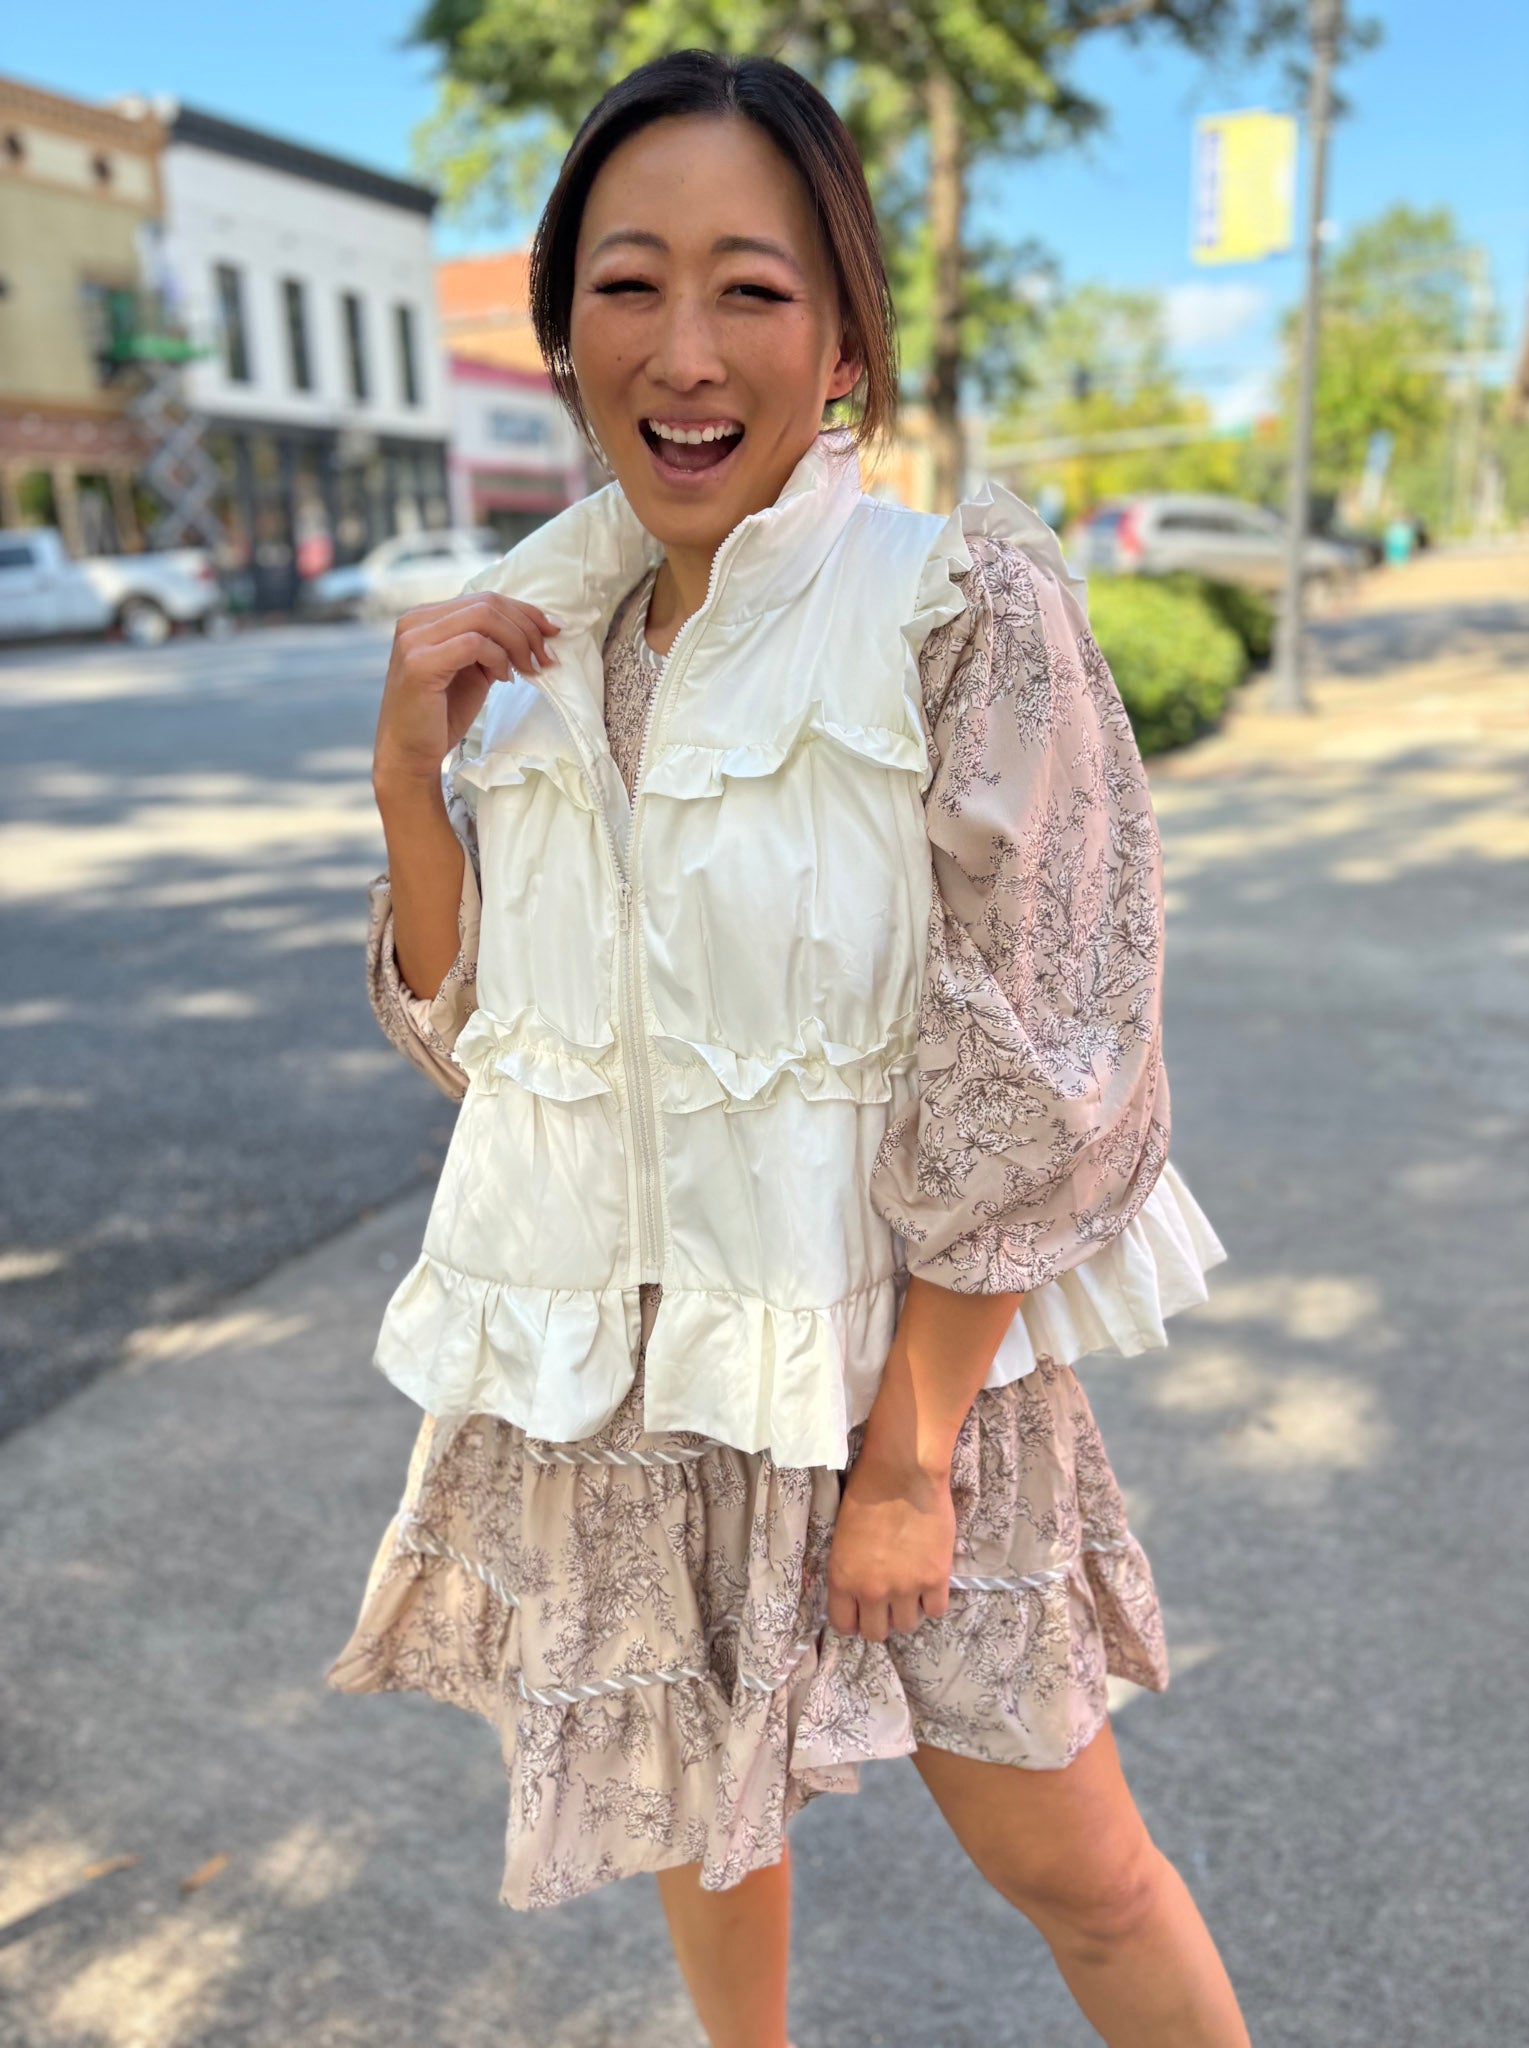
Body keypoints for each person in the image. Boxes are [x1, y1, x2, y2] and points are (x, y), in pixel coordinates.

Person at [326, 49, 1248, 2048]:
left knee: (1078, 1865)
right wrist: (413, 774)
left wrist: (905, 1457)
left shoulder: (954, 612)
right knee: (707, 1835)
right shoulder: (542, 644)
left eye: (751, 287)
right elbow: (490, 1045)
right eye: (629, 282)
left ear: (842, 339)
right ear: (562, 324)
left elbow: (1049, 1065)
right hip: (638, 1384)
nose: (685, 347)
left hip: (904, 1382)